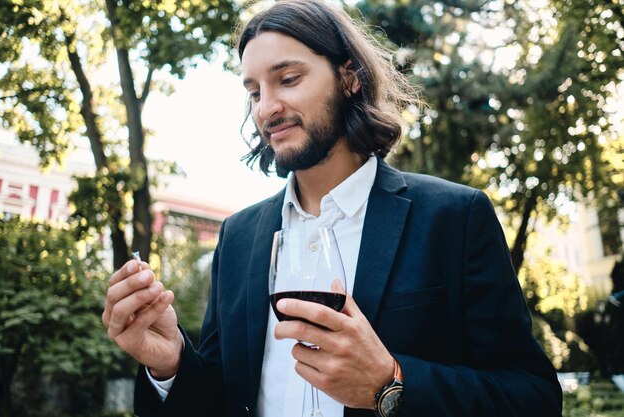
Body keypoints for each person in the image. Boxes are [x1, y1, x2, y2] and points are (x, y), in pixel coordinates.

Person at [101, 1, 563, 416]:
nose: (266, 108)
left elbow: (533, 396)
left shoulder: (454, 218)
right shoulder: (238, 236)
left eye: (288, 79)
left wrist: (391, 382)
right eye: (254, 91)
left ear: (349, 76)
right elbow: (223, 398)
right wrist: (172, 365)